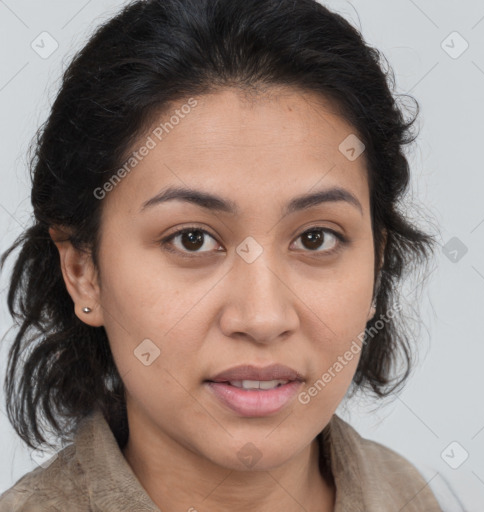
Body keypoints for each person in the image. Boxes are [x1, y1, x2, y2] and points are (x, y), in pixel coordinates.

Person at [0, 0, 445, 510]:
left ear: (377, 262)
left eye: (316, 238)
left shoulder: (411, 495)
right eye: (192, 239)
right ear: (83, 272)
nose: (262, 318)